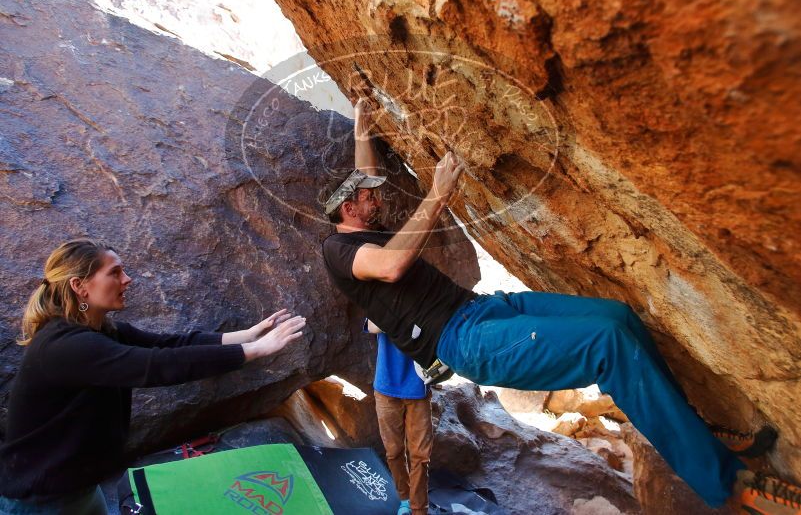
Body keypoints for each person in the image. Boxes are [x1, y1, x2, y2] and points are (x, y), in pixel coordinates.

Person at [319, 98, 799, 514]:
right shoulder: (338, 252)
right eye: (364, 197)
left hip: (485, 309)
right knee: (606, 345)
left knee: (616, 316)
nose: (374, 197)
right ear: (346, 209)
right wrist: (439, 194)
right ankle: (729, 484)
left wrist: (363, 128)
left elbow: (369, 176)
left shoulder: (363, 226)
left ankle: (692, 428)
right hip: (464, 340)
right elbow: (391, 267)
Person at [0, 239, 306, 514]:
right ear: (80, 286)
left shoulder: (102, 331)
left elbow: (169, 343)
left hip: (77, 487)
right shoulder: (66, 346)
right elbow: (158, 365)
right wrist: (255, 351)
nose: (127, 279)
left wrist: (246, 336)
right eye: (115, 272)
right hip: (39, 501)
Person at [365, 319, 432, 515]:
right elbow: (372, 326)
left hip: (418, 388)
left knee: (420, 455)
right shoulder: (382, 297)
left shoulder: (426, 298)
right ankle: (404, 499)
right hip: (386, 387)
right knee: (393, 451)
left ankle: (419, 508)